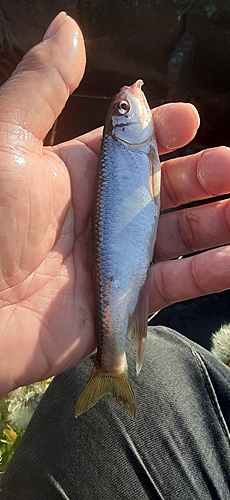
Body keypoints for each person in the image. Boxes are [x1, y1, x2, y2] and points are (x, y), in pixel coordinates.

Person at [0, 11, 230, 499]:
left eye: (123, 108)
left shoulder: (131, 147)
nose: (133, 105)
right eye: (124, 109)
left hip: (122, 261)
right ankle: (112, 366)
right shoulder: (134, 147)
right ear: (121, 131)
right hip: (123, 266)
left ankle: (113, 364)